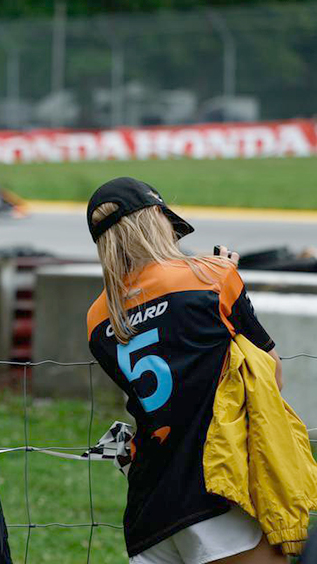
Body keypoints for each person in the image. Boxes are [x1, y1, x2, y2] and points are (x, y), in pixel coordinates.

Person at [85, 177, 285, 564]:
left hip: (149, 506)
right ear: (157, 221)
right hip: (216, 490)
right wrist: (226, 277)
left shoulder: (95, 319)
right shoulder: (213, 277)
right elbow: (271, 375)